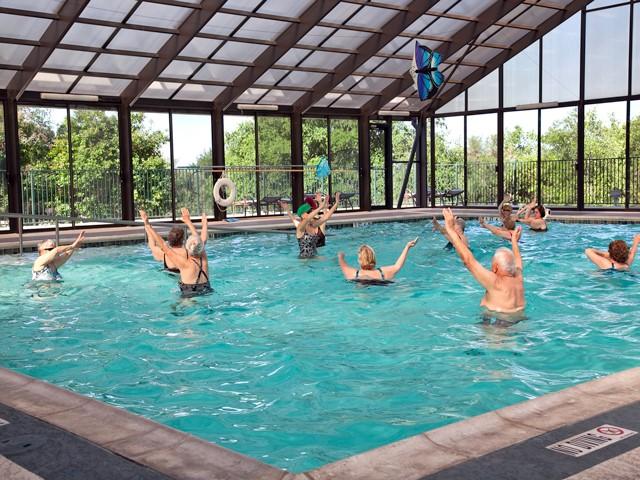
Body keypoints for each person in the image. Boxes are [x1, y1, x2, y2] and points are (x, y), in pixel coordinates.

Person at [443, 208, 525, 314]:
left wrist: (450, 229)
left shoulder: (495, 282)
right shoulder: (518, 277)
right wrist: (514, 241)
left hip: (498, 324)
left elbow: (468, 260)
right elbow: (518, 259)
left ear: (495, 268)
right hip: (519, 322)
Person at [140, 209, 211, 296]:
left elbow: (163, 245)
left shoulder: (184, 263)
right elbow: (201, 239)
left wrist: (147, 225)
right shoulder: (203, 257)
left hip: (189, 294)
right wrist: (198, 224)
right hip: (208, 291)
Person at [141, 208, 207, 274]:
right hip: (186, 280)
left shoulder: (163, 254)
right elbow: (200, 242)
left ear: (169, 239)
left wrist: (146, 223)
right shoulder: (188, 252)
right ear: (183, 240)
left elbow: (152, 245)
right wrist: (189, 222)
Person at [338, 238, 419, 283]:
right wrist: (407, 247)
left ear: (359, 260)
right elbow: (397, 265)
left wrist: (341, 256)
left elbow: (342, 263)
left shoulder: (353, 274)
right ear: (374, 258)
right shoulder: (383, 273)